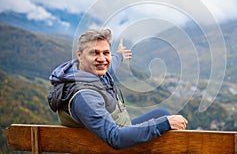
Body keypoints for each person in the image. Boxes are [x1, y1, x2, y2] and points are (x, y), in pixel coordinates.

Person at [48, 28, 188, 149]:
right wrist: (165, 124)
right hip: (112, 144)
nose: (102, 59)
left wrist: (119, 55)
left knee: (161, 113)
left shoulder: (86, 73)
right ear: (80, 55)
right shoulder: (85, 97)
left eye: (106, 52)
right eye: (95, 53)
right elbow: (115, 138)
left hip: (118, 129)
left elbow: (111, 64)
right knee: (165, 121)